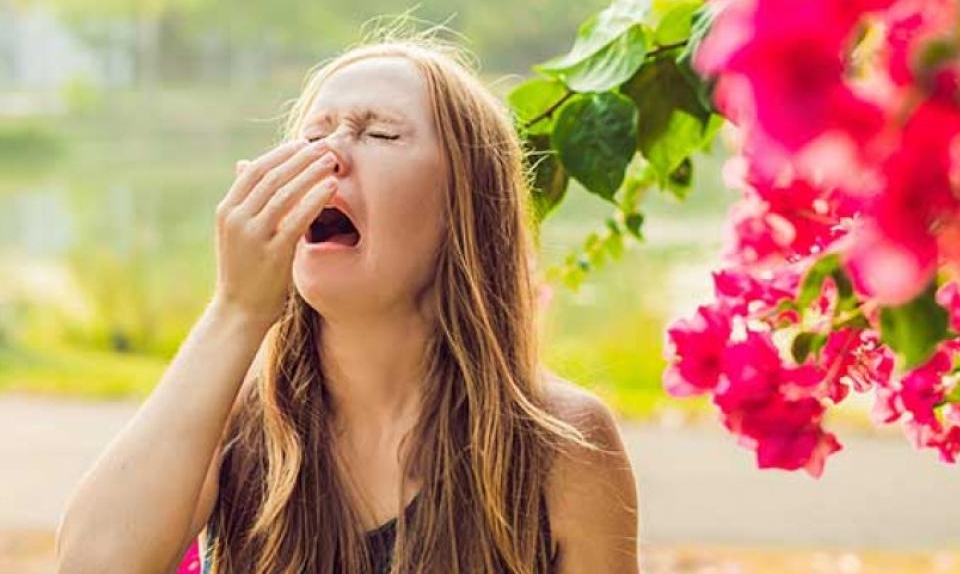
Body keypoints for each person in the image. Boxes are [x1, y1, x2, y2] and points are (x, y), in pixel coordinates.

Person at [55, 29, 640, 574]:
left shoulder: (559, 443)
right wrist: (237, 310)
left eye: (380, 133)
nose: (325, 158)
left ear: (466, 211)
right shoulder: (234, 421)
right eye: (311, 137)